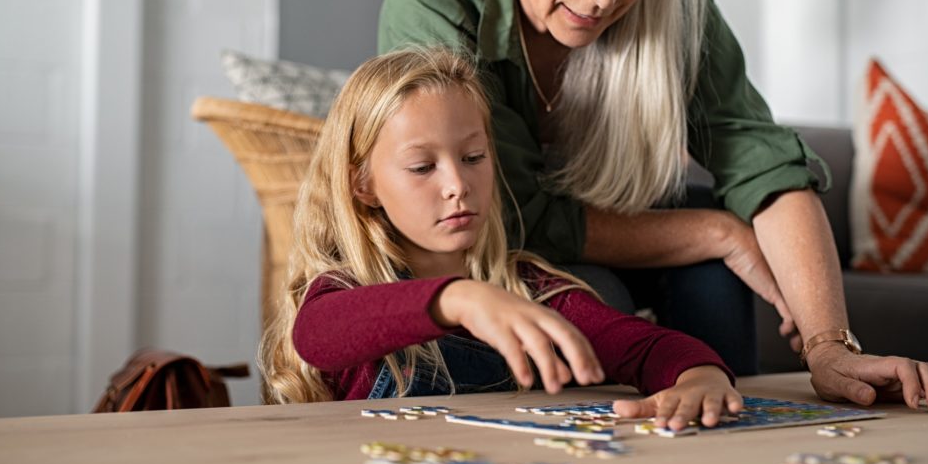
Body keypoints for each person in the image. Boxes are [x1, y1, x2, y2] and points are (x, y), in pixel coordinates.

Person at [378, 0, 928, 411]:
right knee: (600, 293)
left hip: (612, 225)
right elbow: (505, 212)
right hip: (494, 251)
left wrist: (830, 346)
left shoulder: (677, 11)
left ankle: (731, 439)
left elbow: (767, 169)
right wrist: (718, 233)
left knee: (712, 277)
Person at [259, 48, 744, 431]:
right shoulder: (343, 292)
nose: (457, 184)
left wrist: (700, 376)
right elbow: (316, 335)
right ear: (363, 184)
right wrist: (457, 299)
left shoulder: (530, 288)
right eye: (423, 167)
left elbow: (642, 347)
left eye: (473, 157)